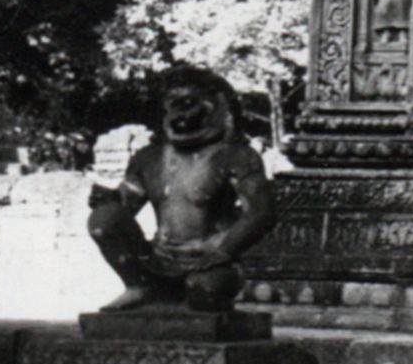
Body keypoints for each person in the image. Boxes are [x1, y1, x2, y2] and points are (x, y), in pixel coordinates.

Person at [86, 64, 277, 316]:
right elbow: (126, 206)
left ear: (217, 105)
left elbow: (260, 213)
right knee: (104, 219)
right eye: (172, 104)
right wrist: (107, 199)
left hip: (210, 260)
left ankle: (193, 290)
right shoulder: (148, 158)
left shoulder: (237, 156)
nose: (178, 113)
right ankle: (137, 286)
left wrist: (224, 251)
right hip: (156, 258)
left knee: (204, 294)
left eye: (188, 102)